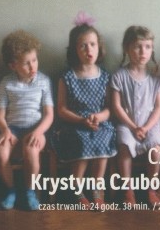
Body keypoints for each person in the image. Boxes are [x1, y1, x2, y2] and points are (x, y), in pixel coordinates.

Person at [51, 15, 116, 209]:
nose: (89, 50)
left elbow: (109, 108)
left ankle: (97, 188)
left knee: (103, 138)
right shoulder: (67, 77)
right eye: (83, 46)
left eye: (93, 45)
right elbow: (61, 109)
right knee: (83, 140)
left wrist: (99, 117)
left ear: (99, 47)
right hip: (74, 123)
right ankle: (76, 188)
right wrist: (81, 120)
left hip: (99, 123)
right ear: (74, 50)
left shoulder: (105, 76)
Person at [0, 30, 54, 211]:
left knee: (31, 151)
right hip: (12, 128)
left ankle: (29, 191)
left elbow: (49, 114)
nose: (32, 66)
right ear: (13, 65)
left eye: (34, 60)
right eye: (26, 63)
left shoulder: (43, 81)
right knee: (0, 153)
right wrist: (5, 130)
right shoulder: (6, 83)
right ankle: (11, 190)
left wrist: (39, 132)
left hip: (35, 128)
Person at [111, 26, 160, 208]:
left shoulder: (157, 78)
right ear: (127, 49)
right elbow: (117, 106)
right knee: (124, 146)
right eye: (137, 47)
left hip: (150, 124)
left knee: (155, 149)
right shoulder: (119, 76)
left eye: (147, 47)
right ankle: (128, 190)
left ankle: (151, 189)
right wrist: (133, 127)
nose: (143, 52)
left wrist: (146, 127)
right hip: (127, 124)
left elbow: (159, 107)